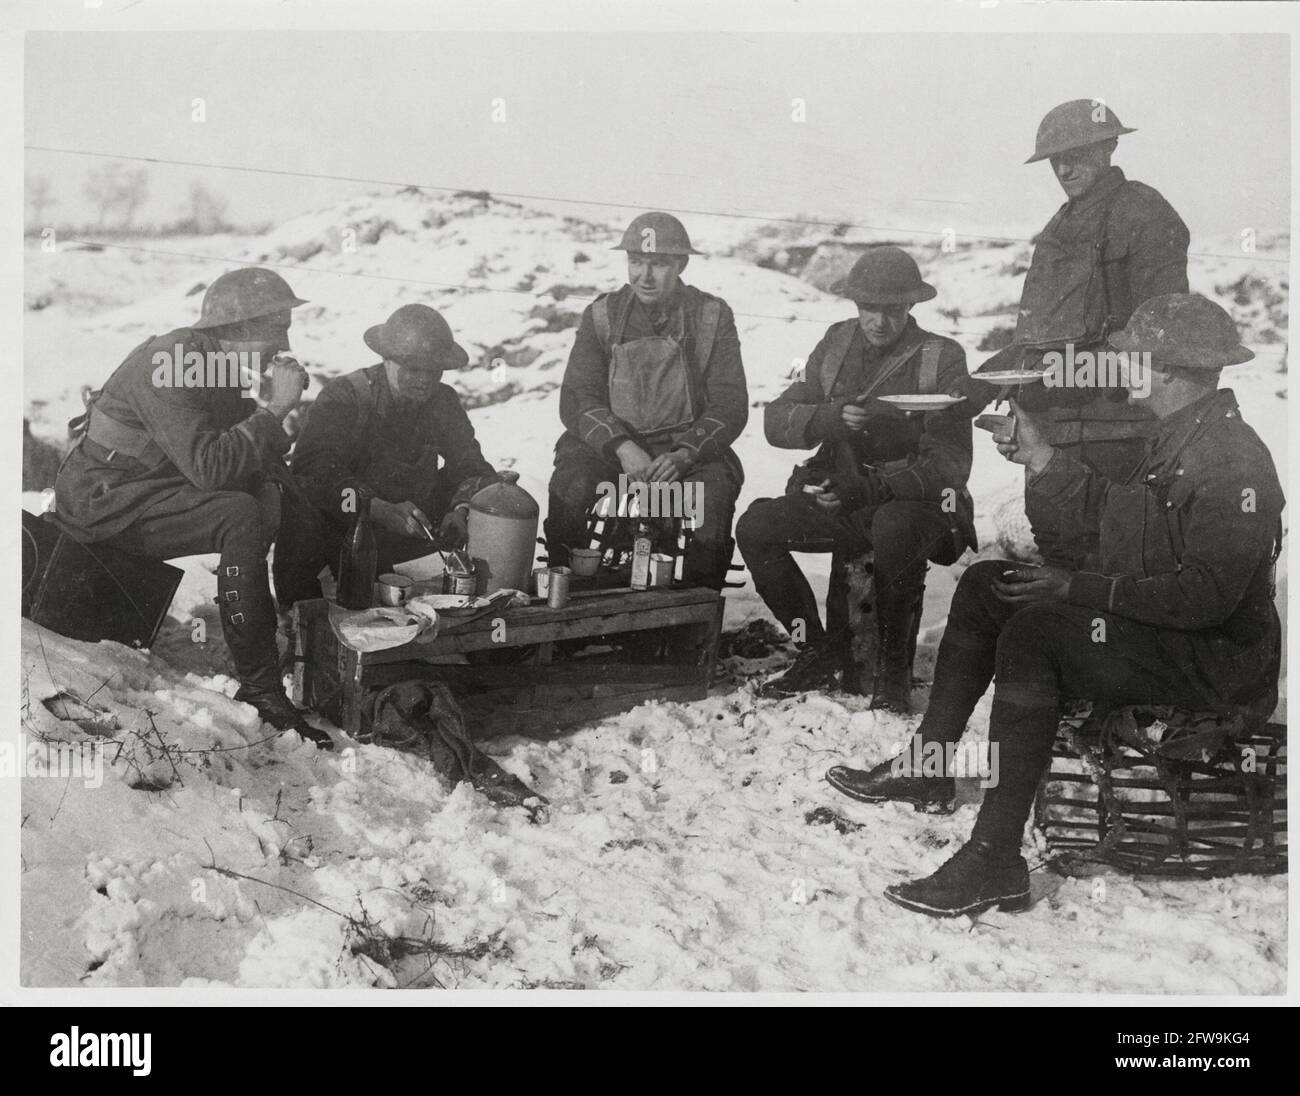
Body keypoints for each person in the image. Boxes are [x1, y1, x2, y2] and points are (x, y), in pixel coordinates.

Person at [828, 295, 1283, 917]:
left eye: (1133, 360)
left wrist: (1076, 590)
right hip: (1173, 633)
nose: (1122, 370)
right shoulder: (1181, 435)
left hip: (1215, 663)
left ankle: (995, 857)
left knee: (1038, 632)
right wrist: (1041, 456)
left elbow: (1203, 599)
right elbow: (1116, 517)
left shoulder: (1232, 463)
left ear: (1170, 370)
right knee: (990, 586)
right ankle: (927, 764)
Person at [51, 267, 333, 749]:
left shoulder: (211, 363)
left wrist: (270, 441)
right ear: (239, 328)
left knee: (264, 492)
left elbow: (233, 441)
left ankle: (277, 629)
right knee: (238, 512)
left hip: (141, 490)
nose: (285, 340)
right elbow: (210, 468)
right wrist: (274, 410)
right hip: (103, 504)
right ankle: (261, 688)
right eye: (276, 327)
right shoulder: (176, 360)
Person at [736, 247, 976, 709]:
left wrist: (873, 488)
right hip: (847, 503)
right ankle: (817, 649)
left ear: (911, 306)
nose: (879, 322)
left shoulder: (941, 357)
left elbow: (949, 465)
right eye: (869, 309)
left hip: (920, 511)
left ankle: (891, 675)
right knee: (756, 526)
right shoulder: (835, 345)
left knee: (894, 527)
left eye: (891, 310)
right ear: (855, 305)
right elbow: (776, 420)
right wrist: (829, 420)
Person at [962, 98, 1192, 567]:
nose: (1064, 167)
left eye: (1078, 153)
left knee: (1120, 569)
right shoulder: (1059, 226)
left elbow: (1159, 335)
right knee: (1059, 567)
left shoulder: (1143, 212)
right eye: (1055, 159)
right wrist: (982, 380)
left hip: (1119, 441)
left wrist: (1044, 373)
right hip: (1051, 438)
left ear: (1108, 146)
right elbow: (1040, 336)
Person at [544, 211, 748, 589]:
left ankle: (695, 616)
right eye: (636, 262)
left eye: (659, 264)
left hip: (683, 451)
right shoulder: (602, 315)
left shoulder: (710, 316)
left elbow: (729, 403)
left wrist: (685, 453)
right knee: (570, 488)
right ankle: (561, 602)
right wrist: (621, 446)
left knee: (710, 505)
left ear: (681, 264)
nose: (645, 276)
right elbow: (577, 397)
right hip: (615, 449)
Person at [275, 303, 499, 602]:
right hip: (344, 532)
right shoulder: (345, 397)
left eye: (434, 371)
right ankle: (302, 618)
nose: (424, 380)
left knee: (491, 499)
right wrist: (378, 509)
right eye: (413, 369)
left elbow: (472, 465)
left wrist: (459, 511)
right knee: (303, 512)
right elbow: (313, 474)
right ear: (387, 360)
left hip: (407, 534)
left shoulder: (443, 402)